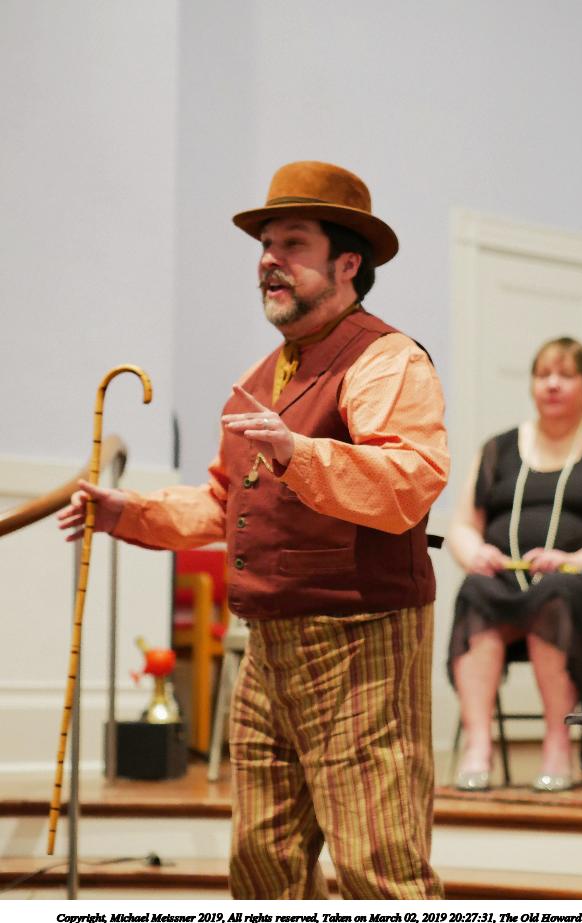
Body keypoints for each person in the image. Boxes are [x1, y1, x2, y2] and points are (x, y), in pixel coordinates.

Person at [58, 161, 449, 899]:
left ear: (348, 262)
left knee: (376, 863)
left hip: (359, 638)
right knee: (263, 859)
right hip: (268, 643)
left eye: (293, 243)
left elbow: (410, 479)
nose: (269, 259)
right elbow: (222, 502)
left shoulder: (384, 358)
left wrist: (299, 452)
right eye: (266, 244)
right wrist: (126, 512)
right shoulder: (261, 374)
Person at [445, 337, 582, 793]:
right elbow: (462, 525)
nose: (552, 384)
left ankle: (558, 744)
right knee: (474, 590)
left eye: (565, 375)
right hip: (509, 583)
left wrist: (576, 560)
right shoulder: (498, 447)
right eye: (543, 375)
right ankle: (478, 746)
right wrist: (474, 552)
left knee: (555, 594)